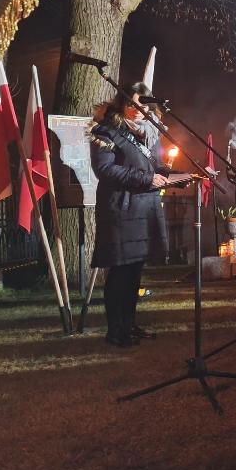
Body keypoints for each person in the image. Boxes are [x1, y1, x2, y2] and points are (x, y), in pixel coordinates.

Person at [90, 81, 170, 347]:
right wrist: (146, 179)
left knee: (135, 271)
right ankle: (116, 331)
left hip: (143, 208)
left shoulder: (150, 133)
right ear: (121, 105)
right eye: (130, 104)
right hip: (121, 209)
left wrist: (176, 176)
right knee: (120, 272)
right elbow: (105, 170)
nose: (136, 110)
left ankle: (129, 324)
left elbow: (155, 168)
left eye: (141, 105)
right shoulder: (105, 131)